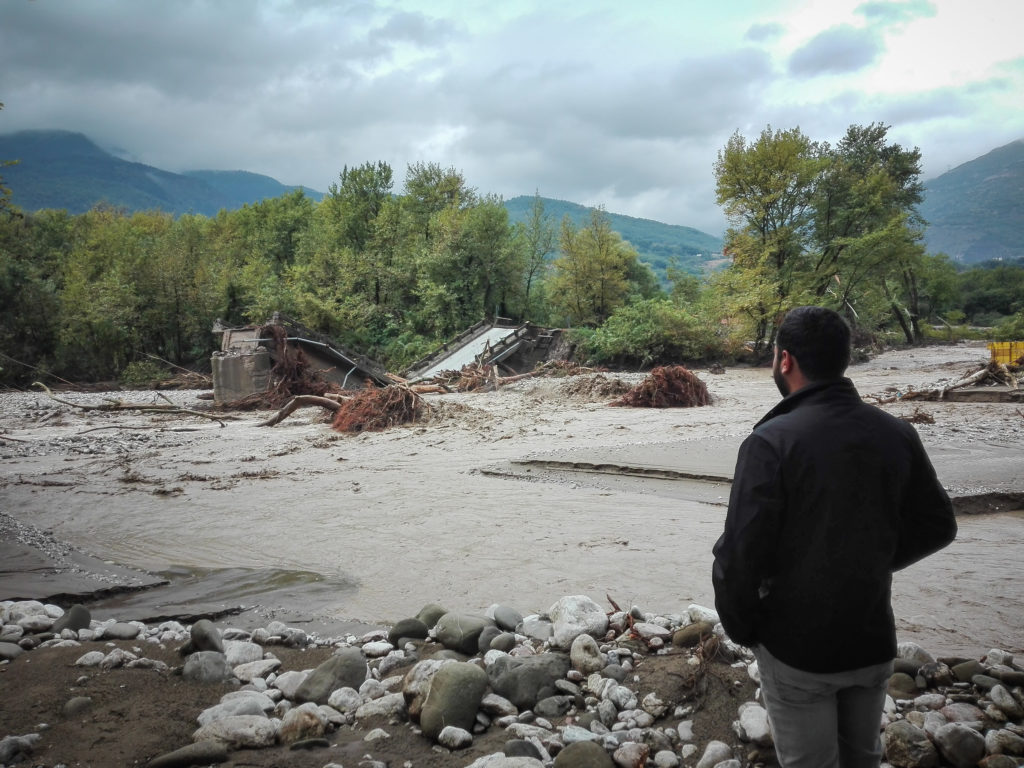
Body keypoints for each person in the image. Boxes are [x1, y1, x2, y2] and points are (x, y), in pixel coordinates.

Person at [711, 306, 957, 768]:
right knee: (863, 757)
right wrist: (873, 559)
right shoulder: (896, 432)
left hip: (796, 646)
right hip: (871, 637)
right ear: (845, 359)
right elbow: (939, 525)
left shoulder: (771, 442)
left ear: (785, 361)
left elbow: (739, 555)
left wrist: (745, 627)